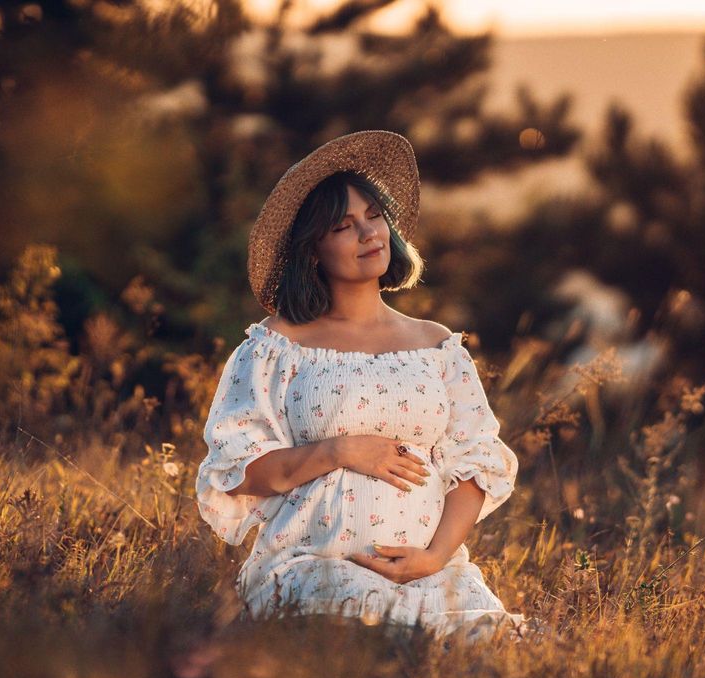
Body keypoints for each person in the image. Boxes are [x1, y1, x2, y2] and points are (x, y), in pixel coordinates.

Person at [194, 130, 523, 641]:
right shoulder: (274, 348)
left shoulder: (437, 347)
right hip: (314, 564)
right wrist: (342, 450)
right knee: (360, 642)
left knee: (494, 648)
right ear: (312, 251)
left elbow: (476, 462)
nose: (370, 234)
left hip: (431, 573)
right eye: (344, 226)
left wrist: (433, 558)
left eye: (374, 216)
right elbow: (238, 471)